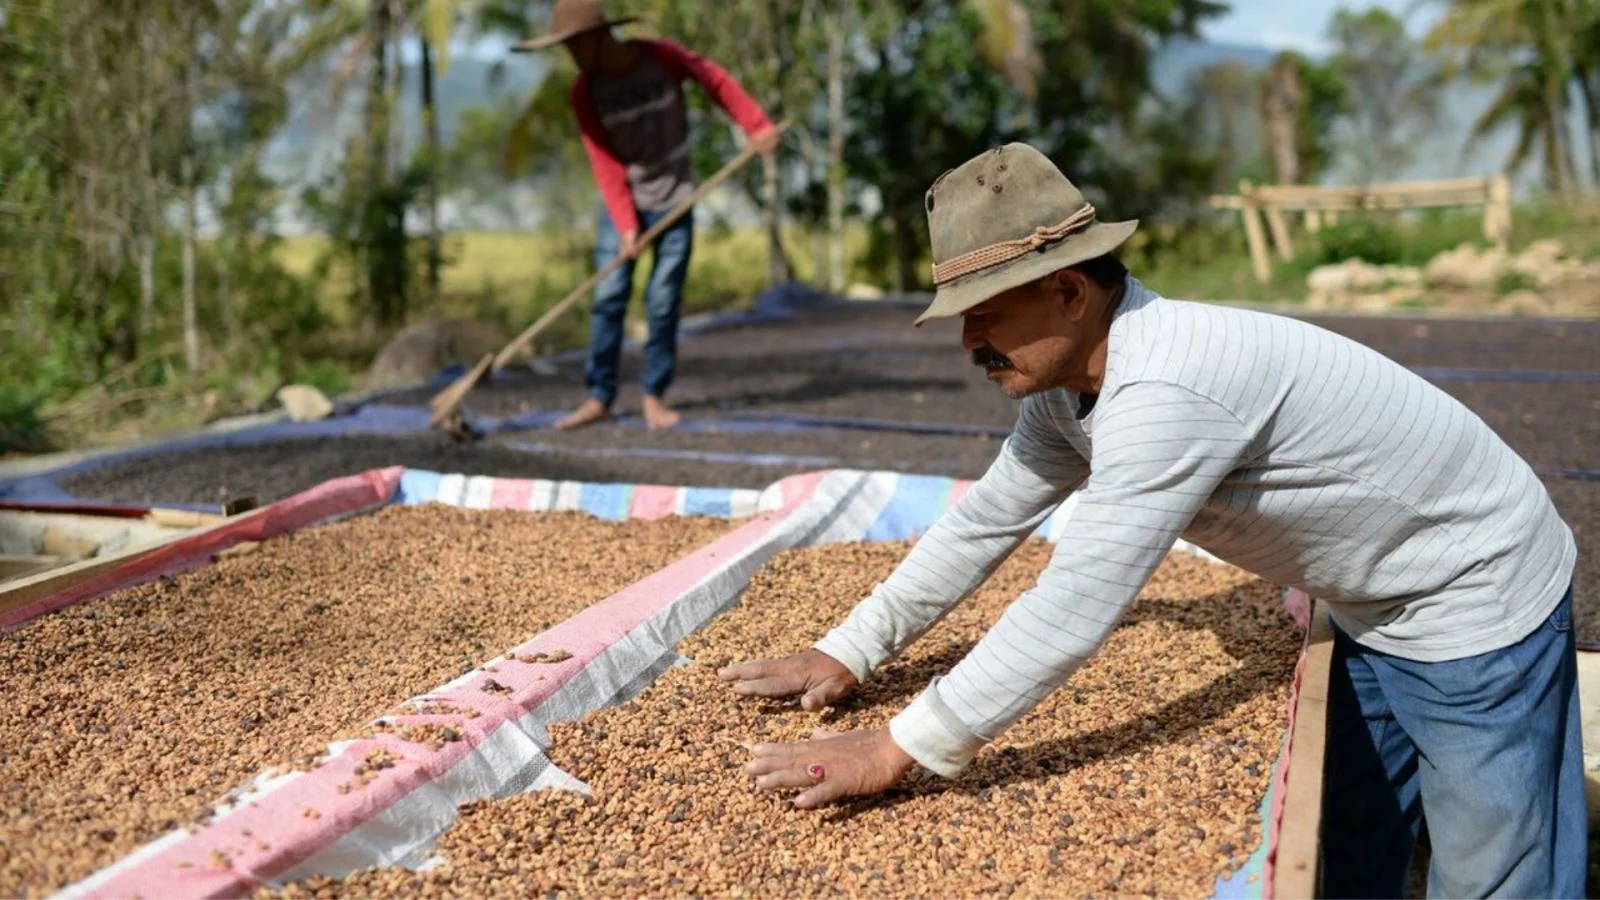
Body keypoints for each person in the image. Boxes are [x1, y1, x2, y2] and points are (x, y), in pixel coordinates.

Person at [718, 143, 1584, 899]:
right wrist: (853, 645)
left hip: (1472, 596)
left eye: (985, 315)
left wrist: (902, 746)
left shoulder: (1165, 390)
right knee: (1345, 844)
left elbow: (1076, 604)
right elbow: (985, 520)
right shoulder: (1071, 390)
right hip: (1366, 596)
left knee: (1494, 870)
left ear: (1065, 292)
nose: (968, 342)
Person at [512, 0, 779, 430]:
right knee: (608, 297)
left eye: (576, 46)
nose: (572, 57)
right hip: (625, 201)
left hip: (677, 196)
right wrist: (626, 225)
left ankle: (654, 395)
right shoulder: (585, 93)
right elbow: (605, 163)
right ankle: (599, 396)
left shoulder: (660, 58)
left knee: (662, 298)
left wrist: (756, 124)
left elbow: (713, 77)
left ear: (601, 38)